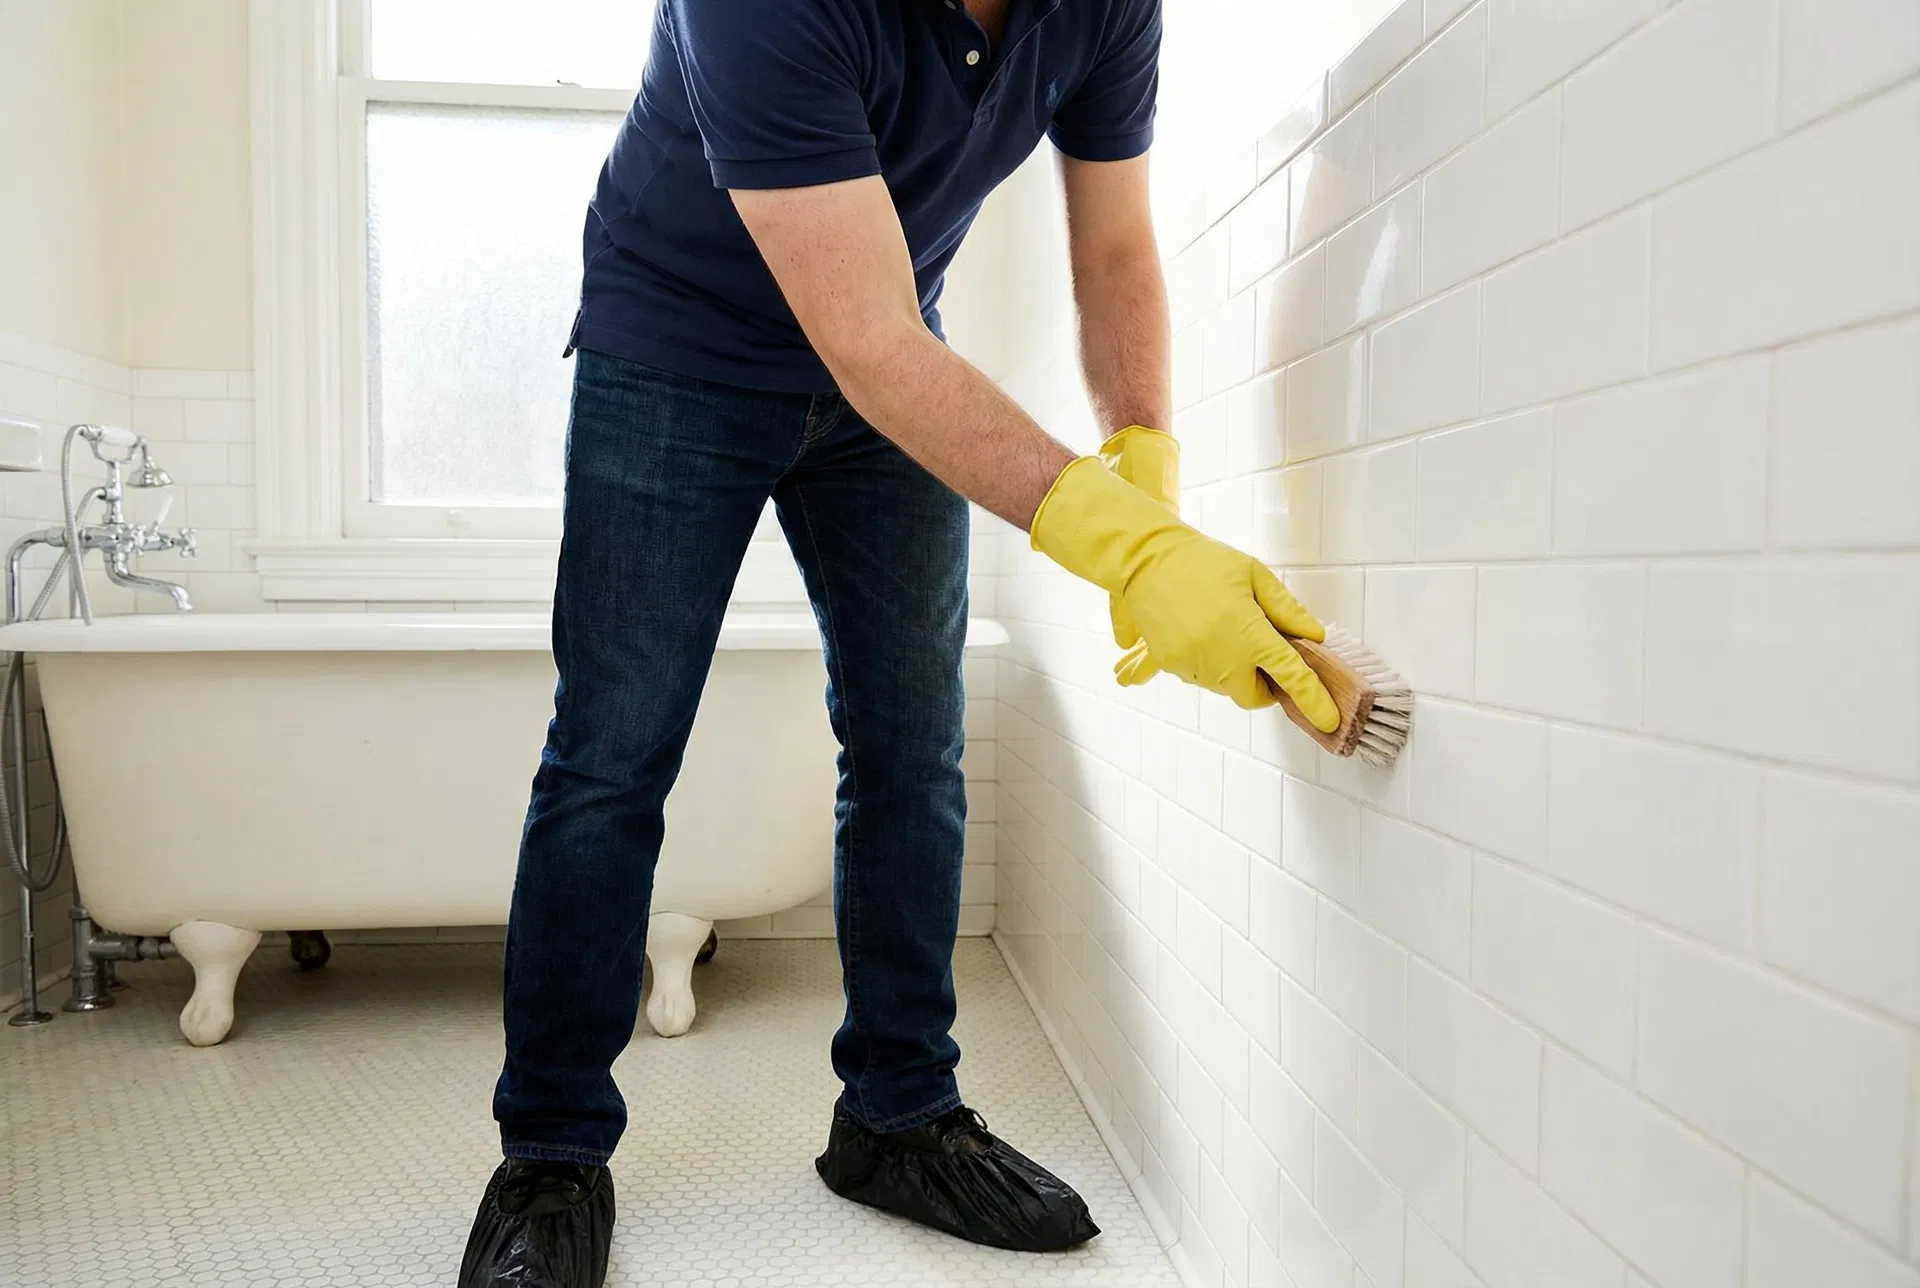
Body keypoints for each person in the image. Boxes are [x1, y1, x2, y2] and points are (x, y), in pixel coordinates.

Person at [458, 0, 1339, 1282]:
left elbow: (1112, 252)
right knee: (613, 751)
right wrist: (1122, 547)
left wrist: (1144, 464)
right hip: (677, 356)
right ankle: (548, 1157)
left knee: (915, 742)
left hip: (891, 362)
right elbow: (862, 341)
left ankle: (898, 1116)